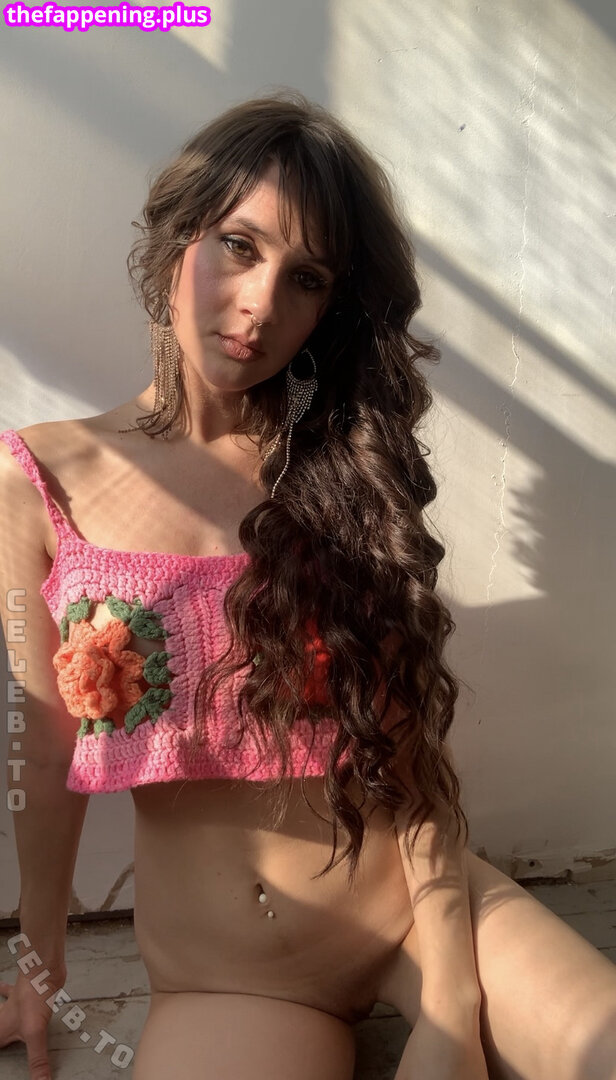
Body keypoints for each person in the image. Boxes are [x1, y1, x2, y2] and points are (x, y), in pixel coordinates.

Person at [0, 90, 614, 1080]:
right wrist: (40, 961)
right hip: (231, 980)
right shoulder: (39, 479)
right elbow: (41, 743)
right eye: (239, 246)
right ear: (177, 239)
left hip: (420, 912)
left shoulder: (343, 474)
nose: (260, 305)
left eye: (307, 277)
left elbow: (409, 739)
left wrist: (452, 1011)